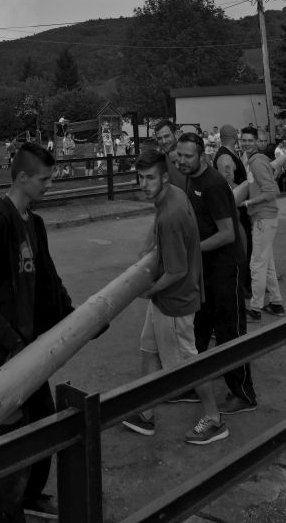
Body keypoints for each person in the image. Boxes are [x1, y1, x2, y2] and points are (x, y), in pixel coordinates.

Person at [0, 143, 73, 522]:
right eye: (44, 179)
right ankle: (8, 515)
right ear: (22, 177)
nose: (49, 185)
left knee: (42, 420)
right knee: (12, 441)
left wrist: (76, 317)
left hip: (29, 347)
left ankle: (30, 497)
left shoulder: (34, 223)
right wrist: (11, 343)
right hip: (1, 351)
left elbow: (48, 281)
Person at [122, 148, 228, 446]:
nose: (144, 184)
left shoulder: (171, 214)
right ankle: (145, 413)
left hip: (175, 301)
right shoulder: (174, 195)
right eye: (140, 177)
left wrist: (148, 290)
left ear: (165, 178)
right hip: (169, 298)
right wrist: (148, 247)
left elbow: (176, 271)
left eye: (150, 178)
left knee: (186, 363)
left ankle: (214, 419)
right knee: (149, 349)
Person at [175, 132, 257, 413]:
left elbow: (227, 233)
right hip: (205, 269)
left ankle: (243, 394)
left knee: (229, 332)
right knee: (199, 329)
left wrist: (191, 250)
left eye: (188, 156)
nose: (182, 160)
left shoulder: (212, 184)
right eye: (179, 155)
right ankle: (194, 384)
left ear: (202, 157)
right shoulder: (191, 179)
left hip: (225, 269)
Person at [238, 127, 284, 321]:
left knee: (257, 263)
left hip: (263, 218)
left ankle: (255, 309)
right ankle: (276, 303)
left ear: (257, 142)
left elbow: (272, 191)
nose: (246, 143)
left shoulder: (256, 162)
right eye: (244, 140)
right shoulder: (258, 160)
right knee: (268, 263)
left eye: (250, 140)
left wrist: (249, 202)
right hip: (266, 218)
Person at [214, 124, 252, 297]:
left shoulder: (228, 154)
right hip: (236, 210)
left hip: (239, 207)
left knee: (245, 247)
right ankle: (241, 286)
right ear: (235, 137)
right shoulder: (225, 157)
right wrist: (249, 186)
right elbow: (227, 185)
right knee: (242, 248)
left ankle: (245, 283)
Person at [154, 119, 187, 191]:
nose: (164, 141)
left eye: (166, 136)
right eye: (159, 138)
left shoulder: (191, 156)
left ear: (176, 134)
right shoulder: (160, 159)